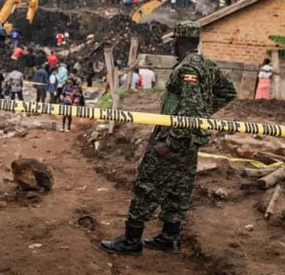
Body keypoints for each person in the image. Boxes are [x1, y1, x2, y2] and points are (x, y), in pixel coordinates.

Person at [100, 21, 236, 256]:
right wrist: (204, 112)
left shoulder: (187, 69)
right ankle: (169, 237)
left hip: (174, 139)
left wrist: (171, 142)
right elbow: (228, 92)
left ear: (179, 42)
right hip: (191, 142)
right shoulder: (207, 65)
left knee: (146, 186)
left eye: (173, 42)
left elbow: (191, 110)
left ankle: (131, 241)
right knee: (179, 189)